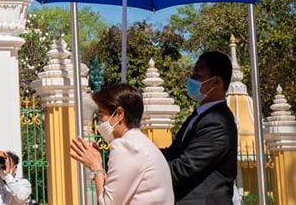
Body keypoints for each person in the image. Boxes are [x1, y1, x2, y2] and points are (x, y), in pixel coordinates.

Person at [70, 84, 174, 205]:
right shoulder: (140, 143)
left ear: (119, 114)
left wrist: (96, 167)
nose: (100, 122)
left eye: (102, 114)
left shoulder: (126, 146)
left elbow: (108, 203)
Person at [161, 51, 238, 204]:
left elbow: (184, 167)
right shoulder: (199, 115)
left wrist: (142, 170)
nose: (191, 81)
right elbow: (173, 153)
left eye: (197, 77)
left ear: (215, 82)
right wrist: (142, 153)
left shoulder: (217, 122)